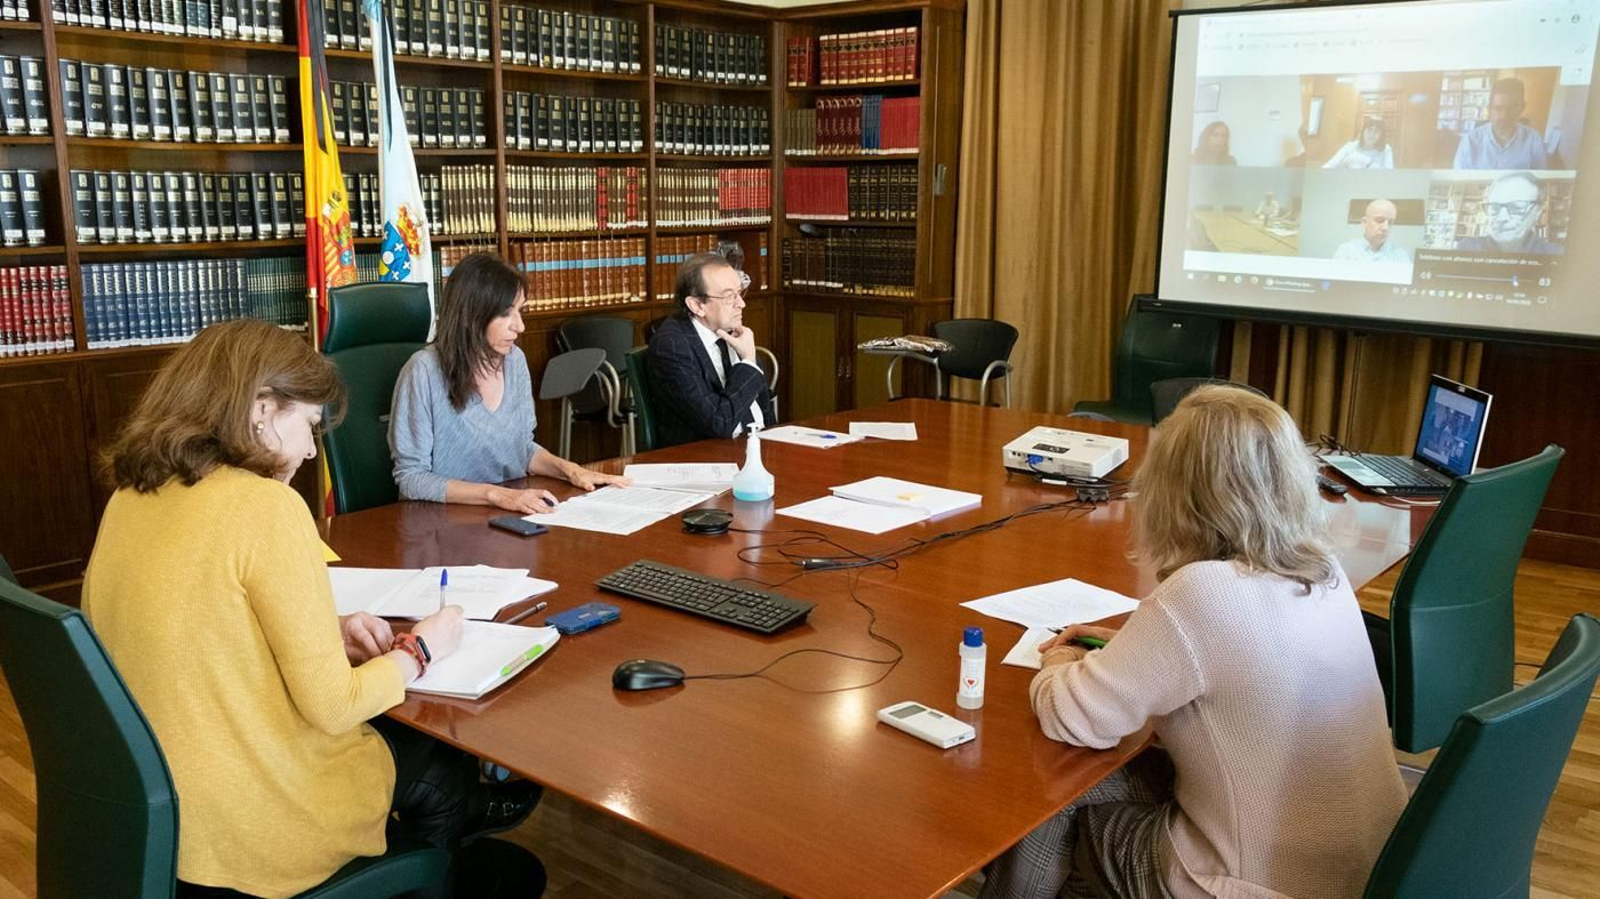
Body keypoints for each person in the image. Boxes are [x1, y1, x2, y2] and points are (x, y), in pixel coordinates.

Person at [82, 318, 543, 898]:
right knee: (435, 764)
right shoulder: (264, 508)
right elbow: (333, 705)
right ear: (259, 406)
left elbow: (199, 622)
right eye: (306, 425)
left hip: (169, 805)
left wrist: (330, 630)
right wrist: (421, 648)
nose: (307, 449)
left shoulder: (130, 497)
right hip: (257, 814)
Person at [979, 386, 1405, 899]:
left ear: (1175, 490)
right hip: (1371, 870)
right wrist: (1129, 646)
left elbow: (1075, 718)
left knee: (1051, 791)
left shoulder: (1201, 593)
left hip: (1249, 884)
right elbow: (1236, 659)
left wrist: (1063, 659)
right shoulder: (1323, 570)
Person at [389, 251, 628, 514]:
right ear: (472, 315)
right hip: (441, 521)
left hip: (505, 512)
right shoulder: (423, 371)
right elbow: (411, 478)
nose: (520, 326)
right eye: (506, 313)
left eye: (520, 310)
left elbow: (521, 450)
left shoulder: (514, 361)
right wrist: (497, 496)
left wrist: (570, 470)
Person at [647, 252, 777, 447]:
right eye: (728, 297)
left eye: (740, 293)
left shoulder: (730, 331)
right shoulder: (672, 346)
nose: (741, 304)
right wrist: (748, 361)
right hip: (706, 458)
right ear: (697, 305)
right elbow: (720, 422)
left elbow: (763, 409)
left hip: (757, 448)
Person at [1455, 171, 1563, 254]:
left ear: (1538, 212)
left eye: (1516, 207)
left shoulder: (1555, 253)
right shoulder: (1465, 248)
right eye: (1495, 207)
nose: (1502, 218)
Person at [1453, 78, 1549, 170]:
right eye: (1498, 108)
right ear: (1489, 109)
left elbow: (1540, 182)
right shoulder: (1469, 141)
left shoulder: (1534, 140)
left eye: (1512, 108)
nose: (1504, 115)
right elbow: (1459, 182)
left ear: (1522, 107)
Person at [1333, 198, 1412, 263]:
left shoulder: (1401, 255)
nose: (1386, 227)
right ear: (1364, 222)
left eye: (1390, 222)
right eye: (1379, 220)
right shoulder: (1346, 252)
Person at [1324, 116, 1395, 169]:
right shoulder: (1350, 147)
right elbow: (1328, 166)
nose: (1372, 134)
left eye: (1376, 131)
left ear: (1381, 135)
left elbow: (1388, 175)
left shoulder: (1386, 149)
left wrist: (1365, 160)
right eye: (1369, 130)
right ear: (1363, 131)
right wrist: (1342, 165)